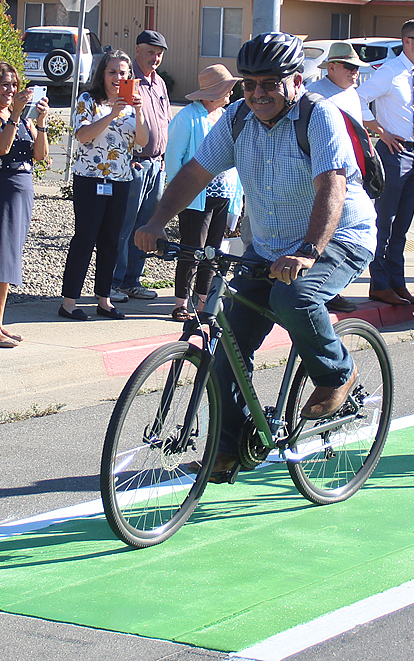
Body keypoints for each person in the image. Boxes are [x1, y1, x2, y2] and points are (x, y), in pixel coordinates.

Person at [134, 32, 377, 476]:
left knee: (294, 297)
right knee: (228, 343)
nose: (258, 93)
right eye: (249, 84)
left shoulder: (319, 117)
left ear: (296, 81)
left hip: (338, 237)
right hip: (268, 248)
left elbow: (332, 188)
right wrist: (155, 221)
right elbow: (195, 172)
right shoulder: (238, 120)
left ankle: (337, 374)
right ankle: (228, 449)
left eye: (269, 83)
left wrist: (308, 251)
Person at [59, 51, 147, 322]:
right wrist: (112, 114)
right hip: (90, 179)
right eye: (112, 72)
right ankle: (69, 301)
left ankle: (104, 300)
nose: (118, 78)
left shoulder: (132, 105)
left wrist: (139, 109)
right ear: (102, 74)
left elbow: (142, 142)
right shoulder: (88, 101)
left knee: (111, 242)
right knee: (85, 240)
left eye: (123, 73)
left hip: (120, 180)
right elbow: (83, 136)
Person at [0, 61, 50, 347]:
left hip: (21, 191)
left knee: (8, 261)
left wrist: (40, 122)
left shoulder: (23, 120)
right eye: (5, 85)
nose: (11, 90)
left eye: (14, 85)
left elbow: (40, 154)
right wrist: (15, 114)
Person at [355, 19, 414, 307]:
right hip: (392, 153)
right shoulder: (390, 71)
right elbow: (360, 98)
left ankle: (398, 283)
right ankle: (379, 284)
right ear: (407, 42)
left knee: (403, 225)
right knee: (384, 222)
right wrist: (381, 131)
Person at [165, 63, 242, 322]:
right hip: (195, 195)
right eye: (227, 89)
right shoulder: (187, 117)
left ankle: (203, 303)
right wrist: (180, 192)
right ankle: (180, 303)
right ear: (212, 92)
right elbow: (174, 159)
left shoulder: (226, 116)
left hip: (223, 193)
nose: (231, 93)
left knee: (213, 250)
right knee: (192, 249)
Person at [307, 40, 370, 313]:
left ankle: (334, 290)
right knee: (325, 232)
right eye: (348, 67)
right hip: (323, 174)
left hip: (351, 176)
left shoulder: (351, 94)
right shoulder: (315, 94)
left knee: (342, 236)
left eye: (356, 67)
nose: (354, 72)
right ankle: (322, 293)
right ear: (331, 67)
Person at [110, 29, 171, 302]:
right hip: (134, 165)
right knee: (124, 225)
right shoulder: (128, 80)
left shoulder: (159, 83)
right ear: (137, 51)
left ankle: (133, 280)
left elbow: (165, 122)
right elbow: (119, 120)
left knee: (145, 225)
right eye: (150, 52)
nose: (155, 58)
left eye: (159, 54)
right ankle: (113, 282)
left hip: (156, 166)